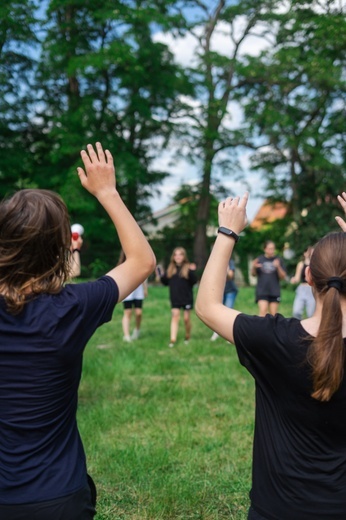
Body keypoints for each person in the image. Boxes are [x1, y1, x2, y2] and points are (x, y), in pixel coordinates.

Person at [0, 142, 156, 520]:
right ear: (61, 249)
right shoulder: (72, 308)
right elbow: (142, 261)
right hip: (59, 497)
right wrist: (107, 192)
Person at [196, 192, 346, 520]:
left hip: (277, 510)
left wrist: (227, 232)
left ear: (308, 278)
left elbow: (207, 307)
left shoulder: (275, 338)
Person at [159, 247, 197, 347]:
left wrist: (192, 271)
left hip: (186, 298)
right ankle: (173, 339)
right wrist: (160, 275)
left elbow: (194, 281)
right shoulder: (171, 269)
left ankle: (187, 335)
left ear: (184, 256)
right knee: (175, 316)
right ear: (173, 257)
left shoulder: (188, 268)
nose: (178, 256)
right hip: (175, 298)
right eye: (176, 254)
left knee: (186, 319)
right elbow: (165, 282)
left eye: (180, 254)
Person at [251, 240, 286, 316]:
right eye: (269, 248)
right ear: (265, 249)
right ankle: (261, 328)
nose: (272, 250)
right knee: (263, 312)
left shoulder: (278, 260)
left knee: (273, 315)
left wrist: (278, 267)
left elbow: (283, 277)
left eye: (273, 248)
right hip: (262, 290)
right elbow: (253, 274)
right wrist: (253, 267)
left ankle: (272, 328)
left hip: (274, 291)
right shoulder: (259, 259)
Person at [210, 257, 238, 341]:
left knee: (228, 312)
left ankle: (229, 335)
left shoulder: (230, 262)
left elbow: (230, 276)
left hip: (230, 290)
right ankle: (216, 332)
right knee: (217, 312)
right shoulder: (213, 261)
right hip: (218, 290)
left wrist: (226, 271)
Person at [290, 246, 315, 319]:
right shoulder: (301, 264)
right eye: (309, 251)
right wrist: (293, 280)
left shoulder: (316, 265)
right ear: (305, 253)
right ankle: (298, 327)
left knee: (311, 314)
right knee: (296, 312)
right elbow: (297, 278)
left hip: (312, 289)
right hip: (302, 289)